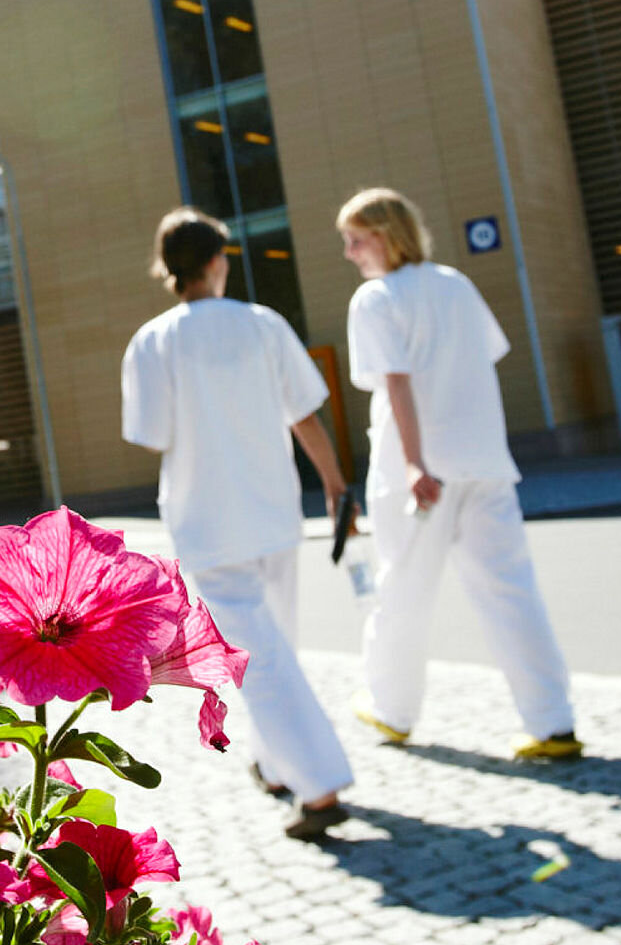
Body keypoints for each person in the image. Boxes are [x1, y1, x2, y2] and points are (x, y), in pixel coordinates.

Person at [121, 208, 355, 840]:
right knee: (278, 647)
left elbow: (151, 436)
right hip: (275, 513)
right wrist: (334, 482)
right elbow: (304, 413)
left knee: (262, 658)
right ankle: (280, 768)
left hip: (207, 522)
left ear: (170, 270)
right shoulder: (263, 324)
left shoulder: (153, 340)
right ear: (218, 261)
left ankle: (319, 785)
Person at [337, 186, 581, 761]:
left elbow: (395, 381)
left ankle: (391, 709)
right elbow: (482, 358)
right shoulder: (456, 284)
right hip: (486, 462)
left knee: (403, 592)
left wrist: (416, 461)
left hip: (418, 473)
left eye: (354, 238)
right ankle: (553, 722)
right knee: (512, 592)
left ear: (384, 236)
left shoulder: (375, 300)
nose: (348, 252)